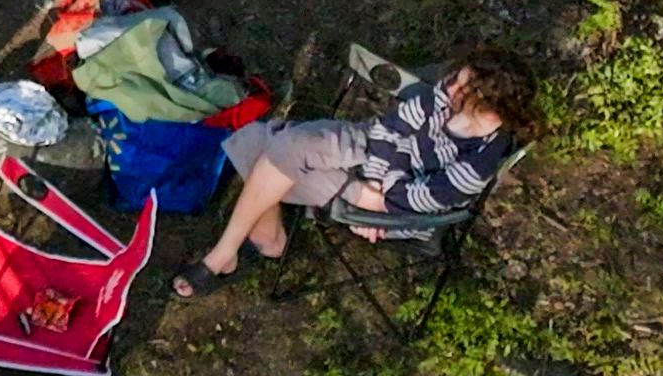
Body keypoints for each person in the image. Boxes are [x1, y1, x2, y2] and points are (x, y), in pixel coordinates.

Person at [172, 47, 537, 296]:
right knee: (265, 140)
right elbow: (392, 128)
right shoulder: (451, 91)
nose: (450, 85)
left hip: (400, 209)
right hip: (376, 162)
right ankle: (262, 243)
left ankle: (227, 253)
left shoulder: (480, 160)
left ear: (487, 105)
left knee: (260, 141)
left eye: (463, 87)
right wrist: (374, 182)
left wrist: (371, 199)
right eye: (458, 77)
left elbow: (422, 199)